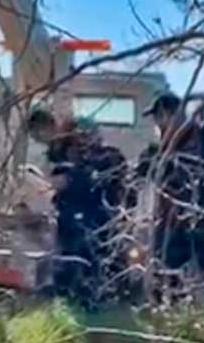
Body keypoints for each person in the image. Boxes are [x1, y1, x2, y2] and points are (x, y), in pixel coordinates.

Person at [137, 93, 204, 307]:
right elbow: (143, 173)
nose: (158, 125)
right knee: (168, 268)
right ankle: (173, 318)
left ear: (170, 114)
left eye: (159, 117)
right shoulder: (159, 150)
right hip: (170, 221)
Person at [27, 109, 130, 311]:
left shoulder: (74, 142)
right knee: (70, 259)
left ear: (46, 126)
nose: (40, 140)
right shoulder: (56, 149)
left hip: (90, 214)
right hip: (72, 212)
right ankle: (76, 303)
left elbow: (89, 174)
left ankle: (96, 304)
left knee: (91, 259)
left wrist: (69, 180)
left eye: (38, 134)